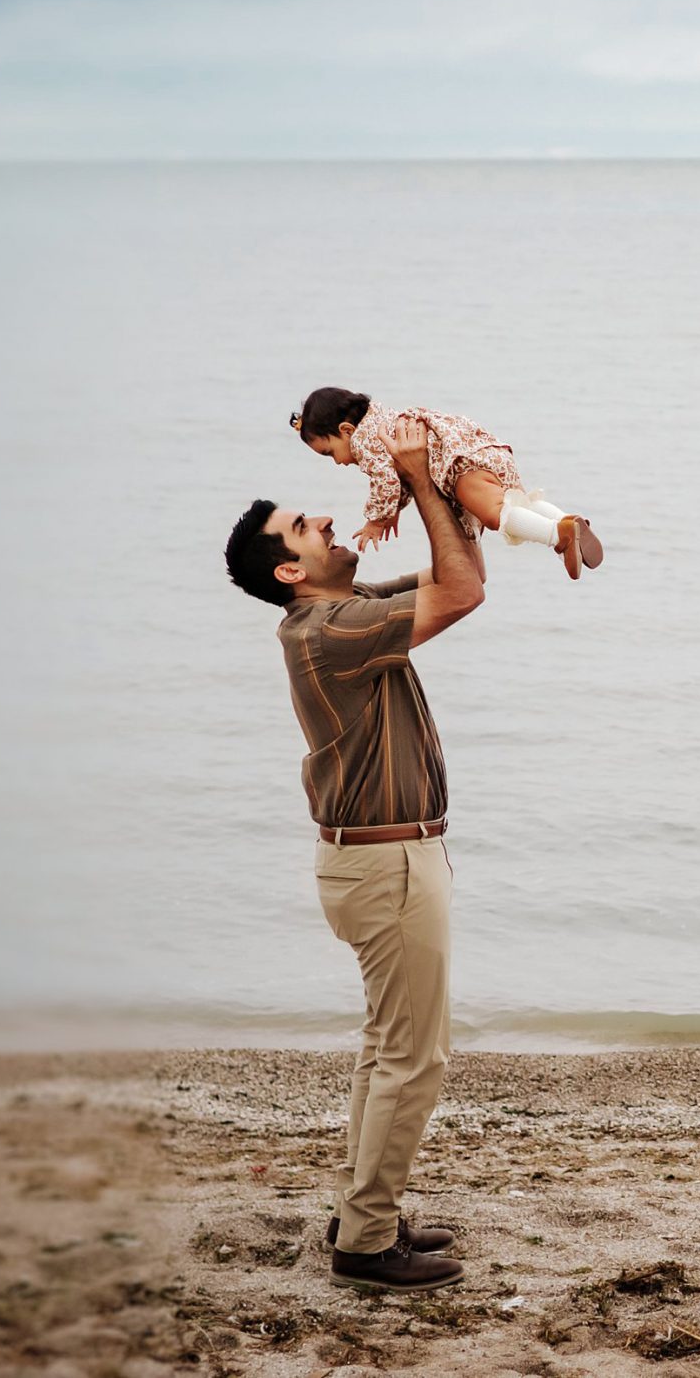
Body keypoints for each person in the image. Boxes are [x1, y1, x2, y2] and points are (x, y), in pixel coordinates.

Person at [224, 416, 487, 1292]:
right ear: (290, 571)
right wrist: (412, 476)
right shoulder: (326, 630)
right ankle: (368, 1243)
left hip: (379, 861)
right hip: (386, 865)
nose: (328, 523)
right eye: (306, 527)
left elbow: (463, 577)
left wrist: (450, 484)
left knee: (387, 1048)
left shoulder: (346, 612)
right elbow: (460, 597)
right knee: (418, 1055)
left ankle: (364, 1210)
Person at [294, 385, 603, 580]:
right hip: (480, 449)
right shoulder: (382, 419)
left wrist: (377, 519)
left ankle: (557, 535)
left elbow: (385, 480)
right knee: (519, 503)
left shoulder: (366, 441)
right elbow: (398, 477)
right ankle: (566, 520)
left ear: (346, 430)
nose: (337, 461)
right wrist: (396, 508)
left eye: (329, 452)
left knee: (496, 516)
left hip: (459, 465)